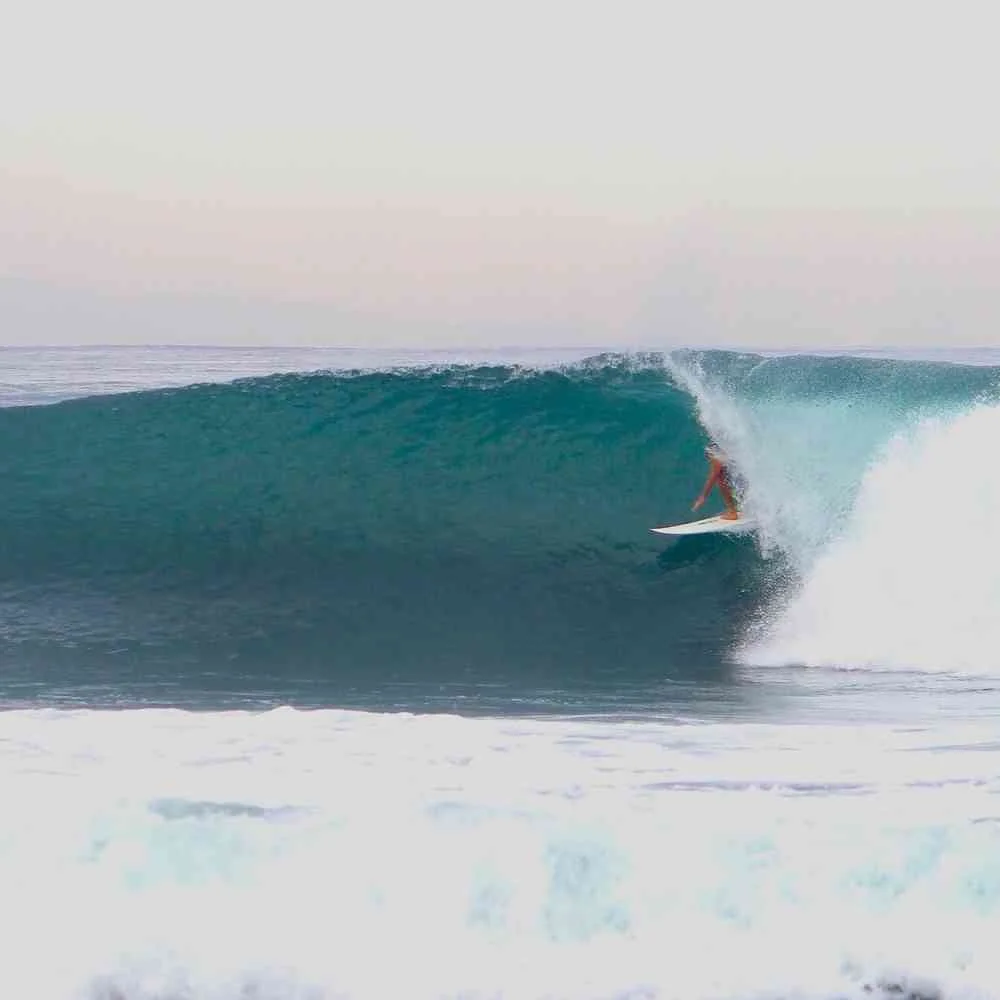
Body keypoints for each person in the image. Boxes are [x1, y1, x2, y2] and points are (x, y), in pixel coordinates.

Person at [691, 445, 740, 520]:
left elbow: (714, 474)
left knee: (720, 476)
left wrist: (702, 497)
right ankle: (737, 508)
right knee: (724, 471)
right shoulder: (726, 446)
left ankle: (732, 511)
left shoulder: (715, 450)